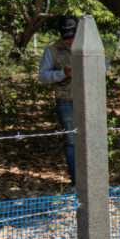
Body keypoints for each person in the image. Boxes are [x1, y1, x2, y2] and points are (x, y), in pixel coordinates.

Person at [38, 16, 79, 188]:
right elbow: (43, 76)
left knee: (91, 138)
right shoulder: (52, 49)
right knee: (70, 140)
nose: (70, 41)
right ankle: (76, 180)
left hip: (87, 99)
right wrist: (63, 73)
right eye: (66, 37)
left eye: (72, 36)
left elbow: (104, 66)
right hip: (65, 101)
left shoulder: (87, 45)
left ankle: (92, 179)